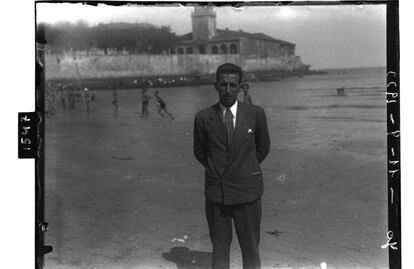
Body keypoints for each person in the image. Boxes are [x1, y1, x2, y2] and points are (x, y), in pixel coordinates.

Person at [193, 63, 270, 269]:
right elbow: (200, 151)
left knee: (251, 248)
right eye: (223, 85)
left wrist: (244, 168)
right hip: (217, 193)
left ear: (240, 86)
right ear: (215, 86)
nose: (228, 90)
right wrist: (218, 169)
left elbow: (263, 147)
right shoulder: (203, 117)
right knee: (219, 249)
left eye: (233, 85)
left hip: (247, 192)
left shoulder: (255, 114)